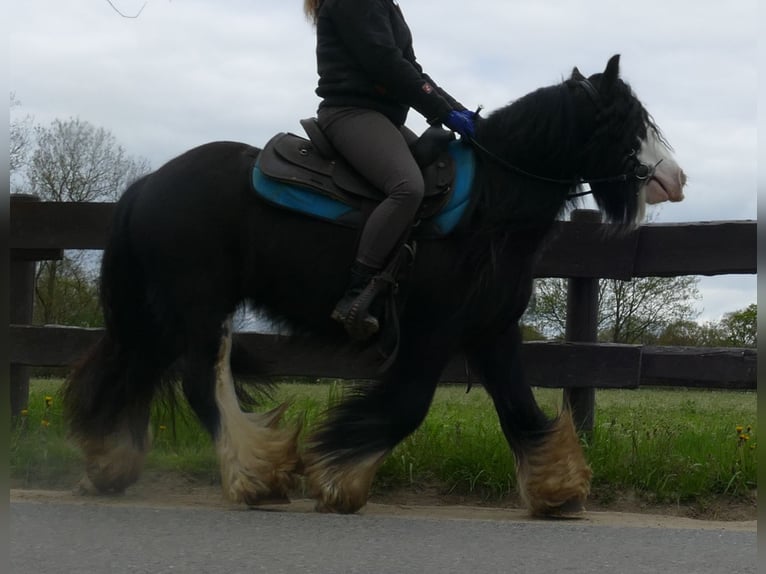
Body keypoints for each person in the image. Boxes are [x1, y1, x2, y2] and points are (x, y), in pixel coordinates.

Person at [304, 0, 476, 340]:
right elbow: (386, 63)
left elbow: (413, 70)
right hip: (351, 113)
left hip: (385, 119)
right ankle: (357, 292)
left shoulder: (387, 5)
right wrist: (443, 113)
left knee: (440, 177)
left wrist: (461, 111)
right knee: (407, 186)